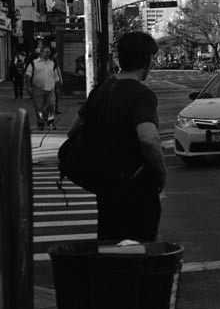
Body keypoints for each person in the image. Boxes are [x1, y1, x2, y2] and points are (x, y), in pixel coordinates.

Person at [69, 30, 166, 242]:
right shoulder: (141, 94)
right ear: (147, 60)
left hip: (106, 186)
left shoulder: (102, 89)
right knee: (142, 245)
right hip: (137, 187)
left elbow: (73, 130)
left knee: (110, 243)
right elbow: (148, 138)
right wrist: (161, 170)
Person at [27, 44, 62, 130]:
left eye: (49, 52)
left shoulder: (52, 63)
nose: (48, 54)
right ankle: (41, 123)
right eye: (46, 52)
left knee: (51, 105)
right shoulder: (34, 63)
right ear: (41, 53)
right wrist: (28, 87)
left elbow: (56, 76)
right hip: (38, 88)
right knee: (39, 107)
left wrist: (57, 88)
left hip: (50, 88)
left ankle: (50, 121)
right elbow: (28, 75)